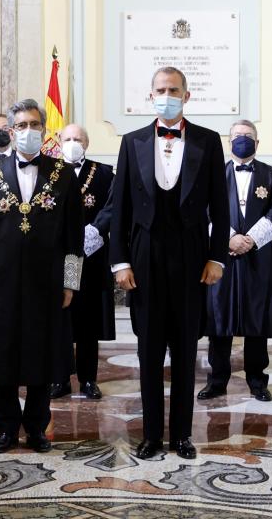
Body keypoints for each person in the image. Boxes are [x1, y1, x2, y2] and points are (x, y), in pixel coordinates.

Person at [109, 66, 229, 460]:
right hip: (144, 256)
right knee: (148, 352)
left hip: (192, 254)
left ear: (187, 95)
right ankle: (150, 436)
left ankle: (181, 435)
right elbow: (120, 209)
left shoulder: (209, 142)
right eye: (160, 89)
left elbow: (220, 207)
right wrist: (120, 262)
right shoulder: (132, 141)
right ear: (150, 95)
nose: (167, 95)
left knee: (184, 350)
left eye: (173, 89)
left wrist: (217, 257)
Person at [0, 98, 84, 454]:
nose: (28, 132)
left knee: (41, 355)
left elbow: (73, 233)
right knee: (4, 355)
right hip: (0, 284)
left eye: (35, 125)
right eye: (21, 126)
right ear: (10, 131)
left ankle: (36, 427)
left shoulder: (62, 174)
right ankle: (5, 428)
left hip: (46, 283)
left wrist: (69, 281)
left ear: (44, 129)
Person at [200, 120, 272, 402]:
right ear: (229, 141)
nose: (242, 140)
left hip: (257, 256)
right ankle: (217, 380)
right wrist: (228, 238)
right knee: (219, 320)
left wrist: (250, 238)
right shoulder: (212, 174)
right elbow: (202, 210)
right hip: (221, 256)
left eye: (248, 136)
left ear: (257, 143)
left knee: (257, 318)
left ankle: (257, 380)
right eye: (237, 136)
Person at [49, 124, 116, 400]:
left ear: (86, 143)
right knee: (59, 320)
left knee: (88, 321)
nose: (72, 143)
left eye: (77, 139)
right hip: (56, 257)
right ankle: (59, 378)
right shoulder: (47, 171)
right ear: (59, 142)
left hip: (93, 255)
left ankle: (89, 379)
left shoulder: (103, 172)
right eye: (67, 139)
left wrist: (94, 232)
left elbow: (113, 206)